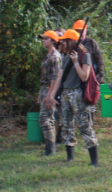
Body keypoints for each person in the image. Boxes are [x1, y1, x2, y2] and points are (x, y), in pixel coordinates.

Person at [43, 28, 99, 167]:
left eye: (64, 41)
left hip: (78, 94)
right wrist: (52, 95)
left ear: (71, 41)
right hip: (66, 94)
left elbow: (84, 77)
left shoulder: (83, 55)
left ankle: (94, 161)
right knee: (66, 125)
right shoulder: (64, 56)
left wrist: (75, 62)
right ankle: (70, 157)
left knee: (85, 126)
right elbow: (59, 77)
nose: (61, 43)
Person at [38, 30, 62, 156]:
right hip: (44, 89)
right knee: (46, 119)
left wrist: (49, 96)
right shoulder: (48, 55)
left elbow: (55, 77)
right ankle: (49, 148)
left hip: (49, 89)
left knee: (45, 119)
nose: (43, 40)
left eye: (46, 38)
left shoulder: (55, 57)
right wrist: (41, 94)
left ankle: (50, 149)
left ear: (53, 40)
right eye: (43, 38)